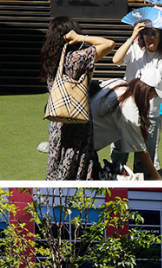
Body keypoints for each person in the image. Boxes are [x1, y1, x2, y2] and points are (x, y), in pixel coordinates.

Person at [41, 17, 114, 181]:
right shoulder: (76, 58)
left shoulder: (52, 60)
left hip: (58, 120)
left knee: (57, 164)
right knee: (77, 165)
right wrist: (81, 38)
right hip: (77, 118)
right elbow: (108, 44)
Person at [111, 21, 162, 175]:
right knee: (119, 156)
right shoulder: (135, 50)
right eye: (146, 33)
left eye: (154, 34)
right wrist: (132, 37)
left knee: (144, 162)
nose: (149, 38)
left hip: (151, 115)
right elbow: (116, 60)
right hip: (126, 112)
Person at [91, 65, 162, 181]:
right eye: (155, 94)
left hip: (83, 139)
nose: (154, 98)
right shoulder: (129, 107)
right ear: (148, 89)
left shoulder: (120, 83)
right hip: (83, 146)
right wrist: (157, 177)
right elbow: (140, 150)